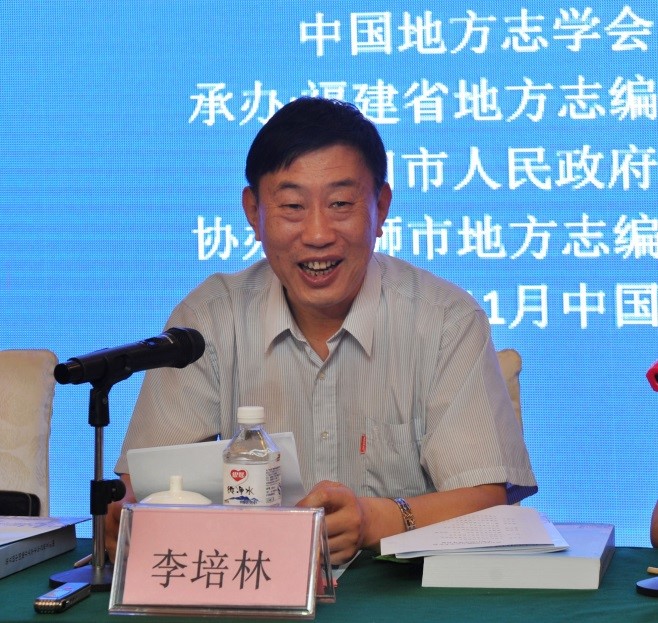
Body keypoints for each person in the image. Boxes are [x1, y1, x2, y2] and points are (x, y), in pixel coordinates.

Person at [105, 97, 538, 564]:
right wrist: (125, 515)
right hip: (249, 578)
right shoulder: (208, 320)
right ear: (253, 211)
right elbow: (146, 488)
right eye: (292, 206)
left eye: (340, 204)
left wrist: (374, 520)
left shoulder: (446, 320)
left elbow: (486, 498)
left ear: (381, 208)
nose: (317, 234)